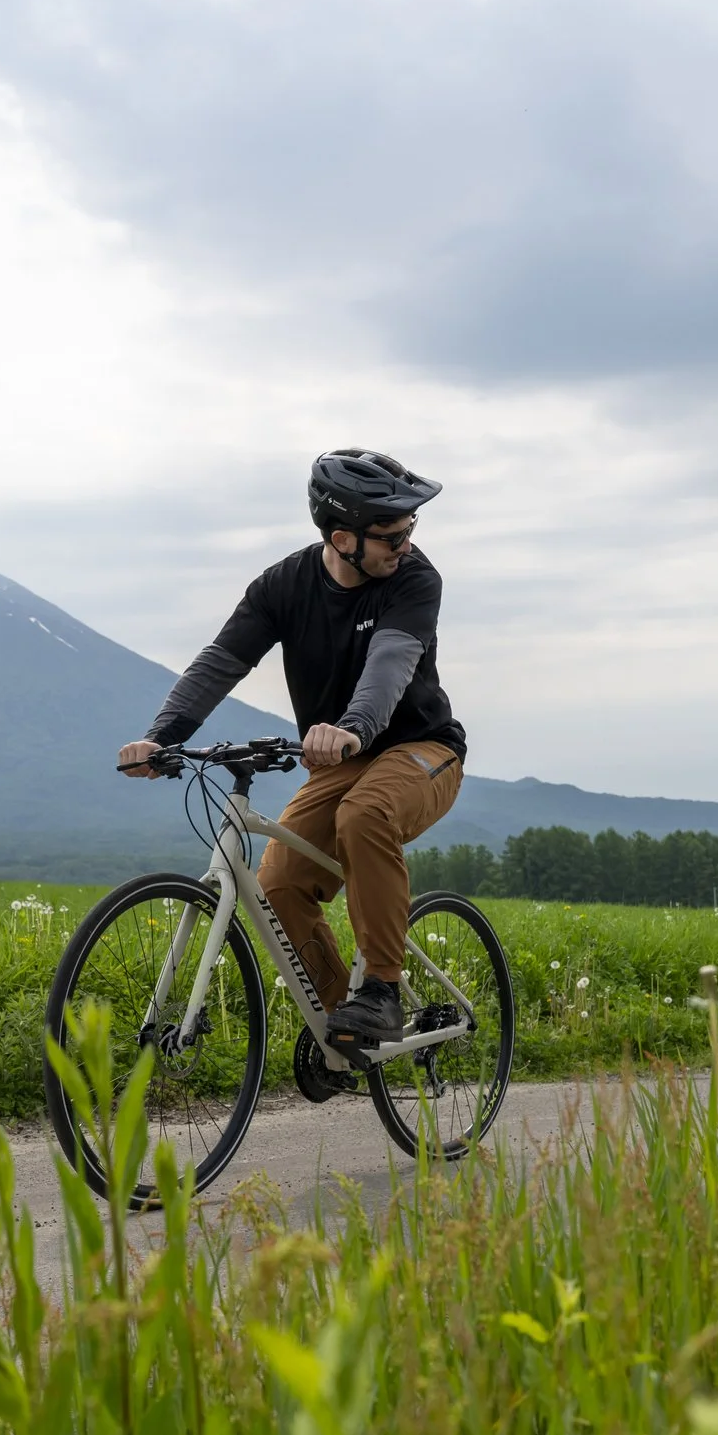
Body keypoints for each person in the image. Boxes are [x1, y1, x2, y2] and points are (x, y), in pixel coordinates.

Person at [117, 449, 466, 1056]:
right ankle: (344, 1026)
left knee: (365, 815)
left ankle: (381, 987)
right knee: (276, 884)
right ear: (342, 538)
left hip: (420, 748)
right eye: (391, 535)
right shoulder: (284, 586)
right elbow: (221, 661)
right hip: (344, 760)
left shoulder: (414, 581)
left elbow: (389, 665)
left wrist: (352, 724)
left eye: (411, 530)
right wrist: (163, 735)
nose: (406, 544)